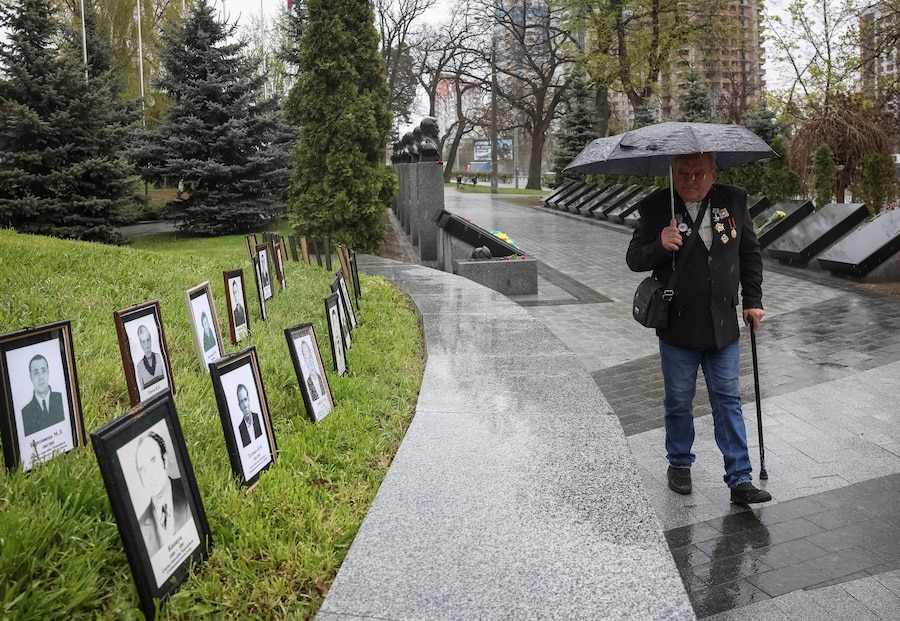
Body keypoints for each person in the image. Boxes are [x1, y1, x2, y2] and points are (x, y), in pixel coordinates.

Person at [625, 152, 771, 505]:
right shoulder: (656, 207)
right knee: (678, 400)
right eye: (683, 173)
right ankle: (679, 462)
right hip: (678, 325)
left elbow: (749, 253)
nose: (691, 180)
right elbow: (634, 258)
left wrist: (752, 300)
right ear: (672, 172)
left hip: (723, 324)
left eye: (699, 173)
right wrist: (659, 245)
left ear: (713, 173)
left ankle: (740, 478)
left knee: (728, 400)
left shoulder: (734, 199)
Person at [134, 430, 190, 556]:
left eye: (153, 460)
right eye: (143, 469)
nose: (149, 475)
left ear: (164, 460)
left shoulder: (188, 490)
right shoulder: (141, 527)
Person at [21, 354, 65, 436]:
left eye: (43, 371)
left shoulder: (63, 399)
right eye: (36, 373)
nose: (41, 377)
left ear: (48, 372)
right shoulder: (25, 413)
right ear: (31, 377)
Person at [135, 324, 165, 390]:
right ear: (141, 344)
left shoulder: (159, 357)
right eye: (143, 342)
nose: (146, 344)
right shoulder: (139, 367)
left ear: (151, 340)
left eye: (148, 340)